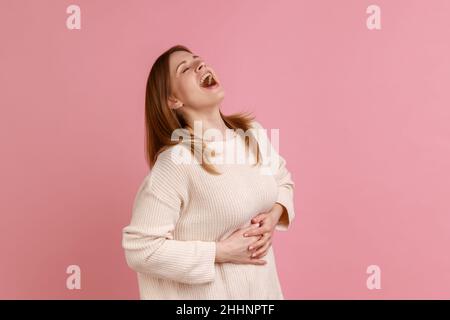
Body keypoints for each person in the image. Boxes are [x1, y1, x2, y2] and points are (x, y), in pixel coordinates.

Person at [121, 45, 295, 299]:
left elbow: (282, 181)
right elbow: (141, 249)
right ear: (173, 100)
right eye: (186, 68)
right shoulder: (176, 163)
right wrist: (220, 252)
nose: (200, 65)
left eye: (198, 60)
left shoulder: (252, 133)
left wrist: (272, 218)